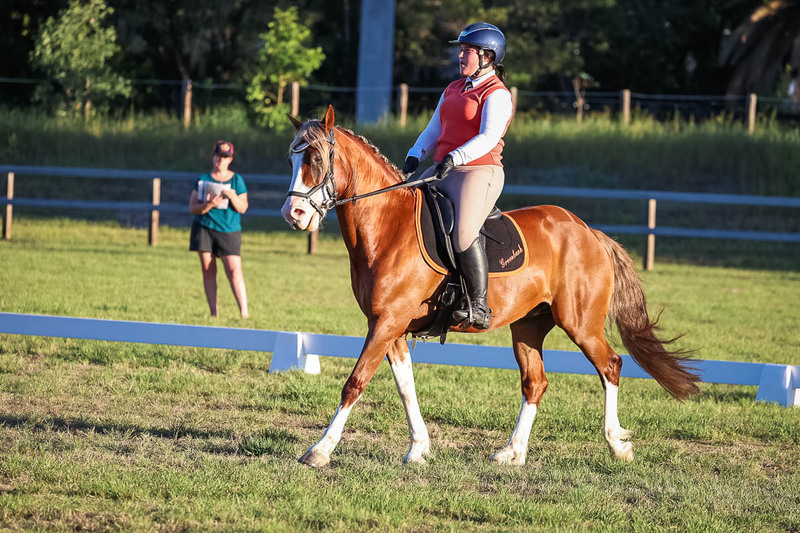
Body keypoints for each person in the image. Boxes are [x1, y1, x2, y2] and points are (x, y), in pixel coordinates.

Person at [402, 22, 513, 330]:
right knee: (401, 207)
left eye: (468, 51)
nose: (461, 57)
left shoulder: (497, 94)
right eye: (461, 50)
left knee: (464, 234)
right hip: (443, 167)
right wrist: (415, 153)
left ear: (488, 57)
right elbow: (434, 129)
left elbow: (489, 136)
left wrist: (455, 157)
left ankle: (478, 306)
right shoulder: (453, 88)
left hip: (479, 170)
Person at [189, 140, 250, 318]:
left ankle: (244, 313)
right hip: (204, 228)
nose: (220, 160)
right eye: (218, 156)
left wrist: (232, 196)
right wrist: (208, 205)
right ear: (213, 157)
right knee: (208, 269)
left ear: (230, 159)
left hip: (229, 229)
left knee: (233, 269)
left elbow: (243, 207)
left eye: (224, 157)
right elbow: (192, 207)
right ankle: (214, 313)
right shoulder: (203, 179)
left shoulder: (237, 180)